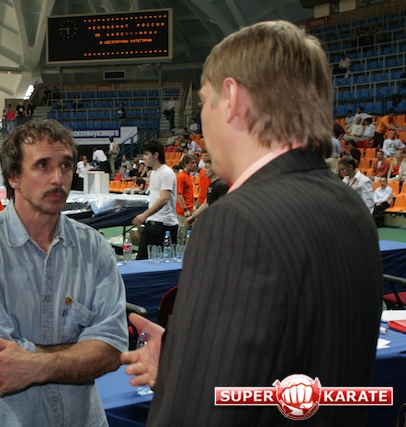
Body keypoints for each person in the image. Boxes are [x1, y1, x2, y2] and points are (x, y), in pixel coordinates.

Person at [122, 21, 382, 426]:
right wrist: (183, 363)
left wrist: (182, 385)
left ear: (232, 98)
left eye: (205, 101)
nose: (202, 121)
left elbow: (203, 414)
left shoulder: (236, 221)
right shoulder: (349, 207)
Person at [0, 118, 127, 426]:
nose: (58, 179)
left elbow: (112, 351)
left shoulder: (94, 248)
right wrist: (80, 351)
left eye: (66, 166)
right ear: (13, 177)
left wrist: (35, 364)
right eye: (43, 166)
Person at [132, 139, 178, 259]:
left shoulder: (166, 173)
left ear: (156, 155)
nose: (144, 158)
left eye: (147, 154)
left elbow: (164, 199)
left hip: (165, 225)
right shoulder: (153, 173)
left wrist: (144, 215)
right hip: (152, 223)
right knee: (141, 260)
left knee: (166, 263)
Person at [184, 159, 228, 226]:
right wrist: (193, 217)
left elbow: (225, 207)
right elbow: (206, 203)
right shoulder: (212, 185)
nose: (204, 170)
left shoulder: (221, 185)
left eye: (207, 167)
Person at [175, 154, 197, 242]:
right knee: (182, 236)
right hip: (183, 212)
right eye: (192, 163)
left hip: (190, 209)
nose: (195, 165)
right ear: (185, 164)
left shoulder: (188, 176)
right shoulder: (181, 177)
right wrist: (185, 209)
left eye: (195, 163)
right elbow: (179, 194)